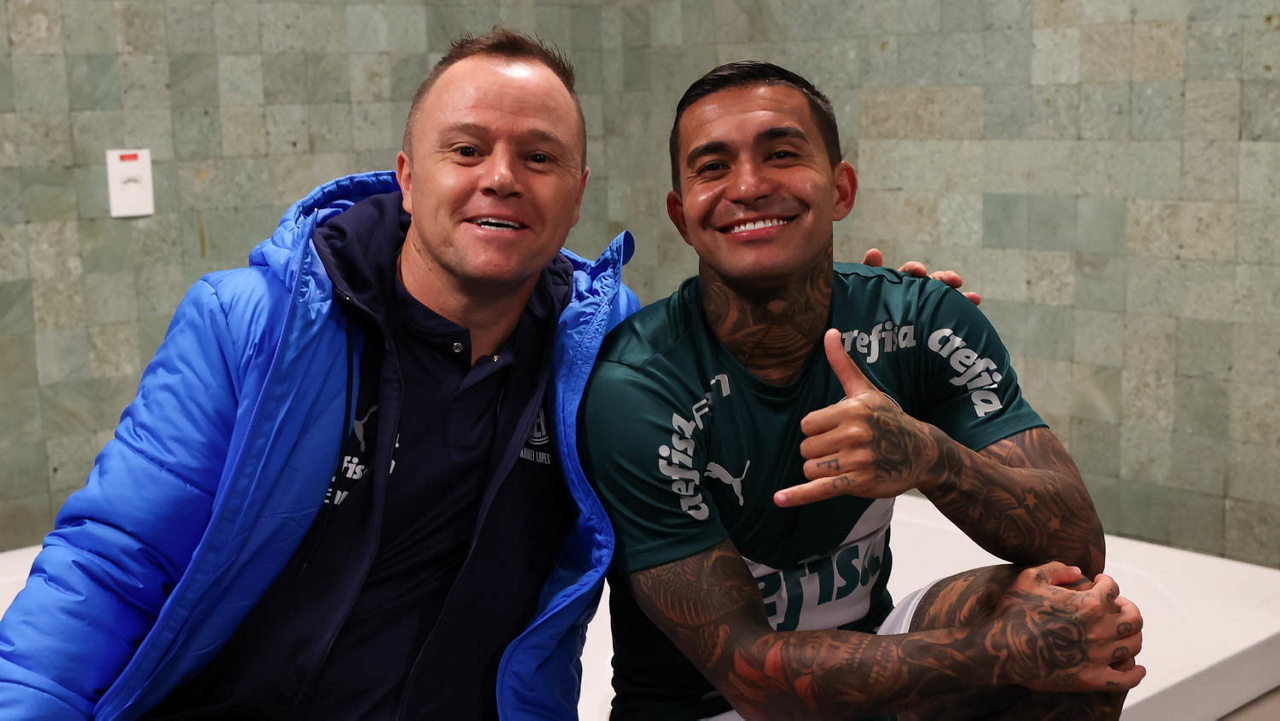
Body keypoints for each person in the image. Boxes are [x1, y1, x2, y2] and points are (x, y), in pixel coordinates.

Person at [0, 30, 639, 719]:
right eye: (466, 150)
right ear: (408, 177)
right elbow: (112, 563)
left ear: (577, 194)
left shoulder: (603, 350)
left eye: (539, 157)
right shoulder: (252, 328)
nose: (502, 177)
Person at [578, 61, 1145, 720]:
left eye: (781, 154)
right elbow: (754, 679)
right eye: (713, 167)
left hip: (870, 652)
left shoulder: (918, 320)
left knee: (1077, 614)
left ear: (841, 188)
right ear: (682, 216)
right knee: (1040, 642)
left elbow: (1077, 547)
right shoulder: (640, 385)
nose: (750, 186)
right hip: (709, 706)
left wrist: (932, 458)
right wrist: (997, 652)